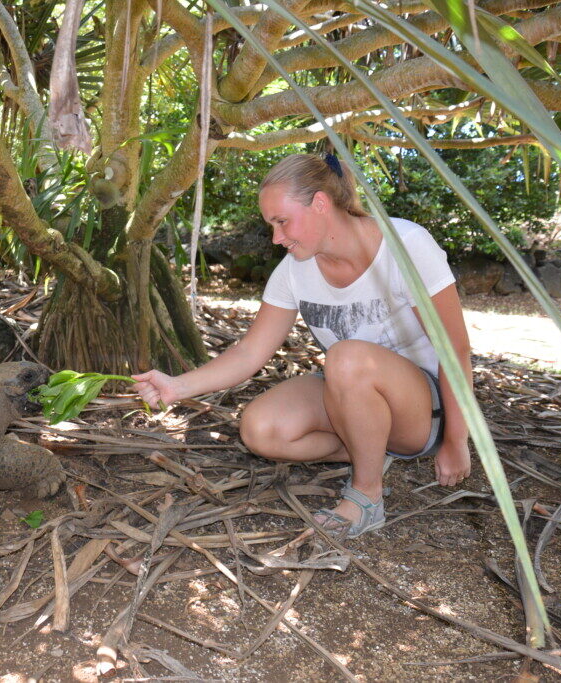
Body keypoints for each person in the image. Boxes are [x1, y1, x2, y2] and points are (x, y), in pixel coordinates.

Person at [132, 153, 472, 537]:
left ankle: (366, 494)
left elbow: (454, 349)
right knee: (260, 429)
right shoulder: (294, 271)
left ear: (321, 204)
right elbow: (249, 352)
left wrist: (457, 439)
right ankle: (369, 449)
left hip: (422, 410)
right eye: (271, 225)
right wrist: (177, 386)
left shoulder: (404, 245)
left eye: (282, 222)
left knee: (346, 356)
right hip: (350, 391)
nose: (277, 238)